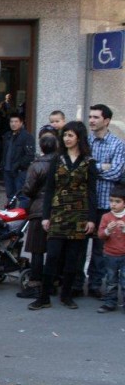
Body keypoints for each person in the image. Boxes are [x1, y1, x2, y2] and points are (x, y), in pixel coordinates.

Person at [28, 121, 97, 311]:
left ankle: (66, 296)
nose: (66, 139)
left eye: (70, 135)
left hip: (79, 215)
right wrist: (45, 216)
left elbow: (92, 193)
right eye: (65, 135)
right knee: (52, 256)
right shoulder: (56, 160)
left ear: (79, 138)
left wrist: (92, 219)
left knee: (72, 259)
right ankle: (44, 297)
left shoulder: (89, 162)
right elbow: (49, 190)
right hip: (57, 214)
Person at [73, 104, 125, 299]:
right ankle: (77, 283)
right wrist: (101, 167)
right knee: (79, 245)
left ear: (107, 120)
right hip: (85, 202)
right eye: (90, 117)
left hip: (105, 202)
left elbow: (116, 172)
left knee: (100, 248)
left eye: (96, 117)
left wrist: (93, 169)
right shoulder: (85, 142)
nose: (92, 120)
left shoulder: (118, 144)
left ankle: (95, 285)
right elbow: (80, 170)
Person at [17, 132, 59, 299]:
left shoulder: (37, 165)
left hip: (39, 209)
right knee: (54, 250)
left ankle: (35, 284)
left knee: (37, 250)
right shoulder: (60, 163)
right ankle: (53, 282)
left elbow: (28, 189)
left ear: (41, 147)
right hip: (57, 209)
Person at [96, 185, 125, 313]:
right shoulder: (106, 217)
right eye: (111, 201)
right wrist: (108, 230)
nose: (113, 204)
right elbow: (100, 235)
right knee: (111, 280)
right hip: (110, 254)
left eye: (117, 201)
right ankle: (110, 302)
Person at [1, 113, 35, 209]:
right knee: (10, 196)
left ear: (21, 123)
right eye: (11, 121)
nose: (13, 124)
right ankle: (11, 218)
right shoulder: (7, 135)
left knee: (22, 196)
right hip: (7, 170)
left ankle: (21, 220)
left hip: (20, 172)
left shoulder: (27, 136)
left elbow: (30, 155)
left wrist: (18, 165)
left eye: (16, 121)